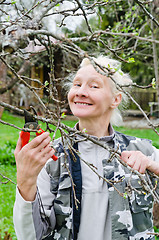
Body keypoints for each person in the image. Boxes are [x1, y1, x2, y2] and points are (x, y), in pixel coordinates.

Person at [13, 56, 159, 240]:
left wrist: (154, 168)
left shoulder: (144, 152)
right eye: (77, 84)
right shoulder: (50, 158)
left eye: (94, 86)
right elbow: (30, 236)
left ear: (116, 99)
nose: (81, 92)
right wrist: (25, 181)